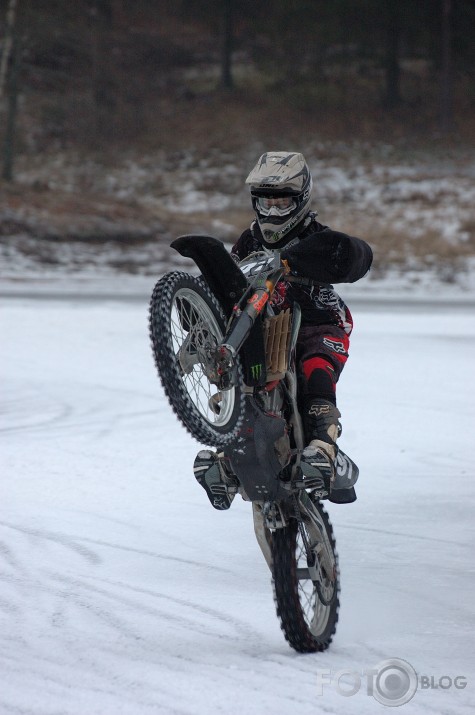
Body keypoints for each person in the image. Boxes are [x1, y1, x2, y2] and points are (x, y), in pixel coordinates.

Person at [195, 151, 373, 507]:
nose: (273, 212)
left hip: (317, 321)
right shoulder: (249, 241)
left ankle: (324, 445)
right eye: (267, 204)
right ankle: (229, 458)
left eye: (282, 204)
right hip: (263, 330)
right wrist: (198, 300)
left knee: (315, 368)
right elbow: (228, 278)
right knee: (237, 374)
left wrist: (335, 257)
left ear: (302, 200)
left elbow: (355, 256)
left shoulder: (315, 235)